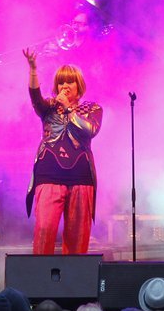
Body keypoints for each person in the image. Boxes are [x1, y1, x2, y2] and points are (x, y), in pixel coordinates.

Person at [22, 48, 103, 254]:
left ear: (79, 86)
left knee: (77, 239)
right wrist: (33, 70)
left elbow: (90, 130)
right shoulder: (48, 107)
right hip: (49, 174)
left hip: (81, 177)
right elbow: (35, 97)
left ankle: (74, 276)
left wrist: (68, 108)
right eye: (61, 82)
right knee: (44, 230)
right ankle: (41, 274)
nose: (64, 86)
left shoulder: (92, 109)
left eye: (70, 82)